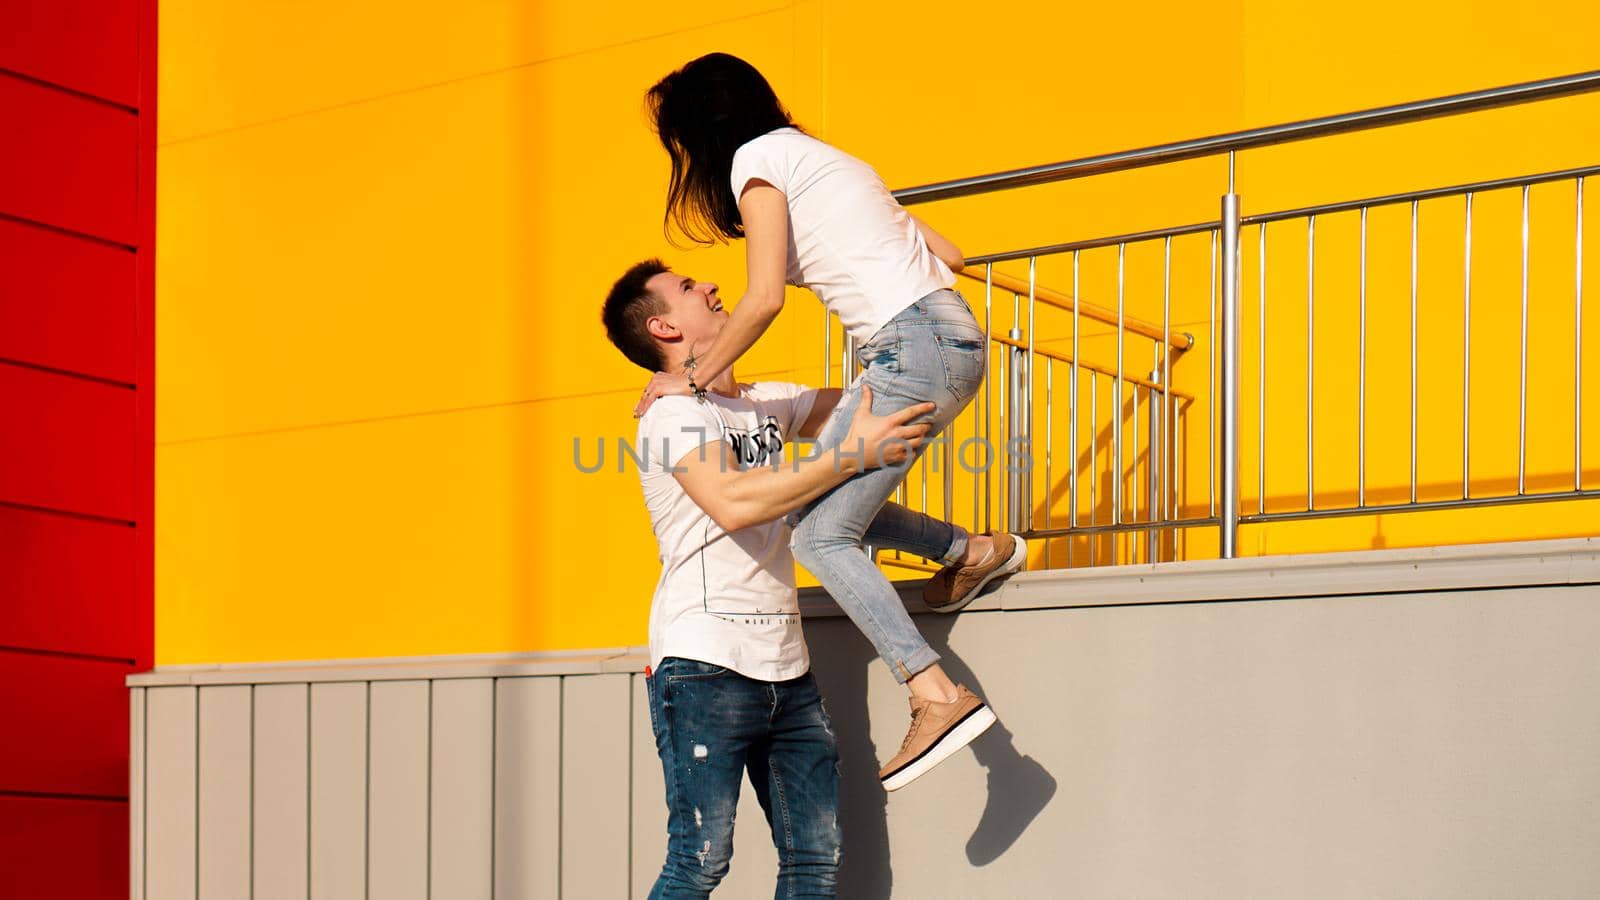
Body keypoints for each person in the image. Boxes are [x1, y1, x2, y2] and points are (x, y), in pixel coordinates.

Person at [633, 52, 1025, 791]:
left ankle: (933, 694)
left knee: (817, 533)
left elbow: (763, 300)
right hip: (950, 337)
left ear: (703, 130)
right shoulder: (830, 162)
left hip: (907, 342)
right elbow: (952, 253)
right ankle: (971, 549)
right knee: (820, 506)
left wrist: (684, 378)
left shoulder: (757, 162)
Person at [606, 258, 961, 896]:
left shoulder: (767, 401)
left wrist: (901, 315)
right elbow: (736, 502)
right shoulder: (671, 417)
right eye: (689, 288)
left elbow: (885, 404)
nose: (712, 285)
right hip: (703, 664)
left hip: (789, 671)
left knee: (814, 862)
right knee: (700, 860)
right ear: (662, 326)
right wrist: (855, 452)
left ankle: (959, 546)